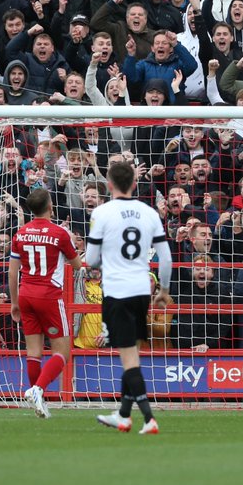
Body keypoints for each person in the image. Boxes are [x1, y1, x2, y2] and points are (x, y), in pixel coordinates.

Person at [90, 162, 173, 434]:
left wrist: (107, 262)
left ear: (110, 185)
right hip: (141, 291)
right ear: (134, 184)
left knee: (129, 360)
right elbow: (166, 258)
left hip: (117, 291)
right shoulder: (149, 212)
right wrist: (163, 291)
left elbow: (91, 259)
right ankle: (123, 415)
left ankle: (149, 419)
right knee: (132, 352)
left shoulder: (101, 212)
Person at [9, 189, 84, 419]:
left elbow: (13, 272)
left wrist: (14, 303)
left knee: (34, 351)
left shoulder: (20, 233)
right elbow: (78, 264)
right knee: (63, 351)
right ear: (51, 206)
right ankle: (38, 390)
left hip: (25, 294)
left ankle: (38, 402)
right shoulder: (60, 233)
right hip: (49, 295)